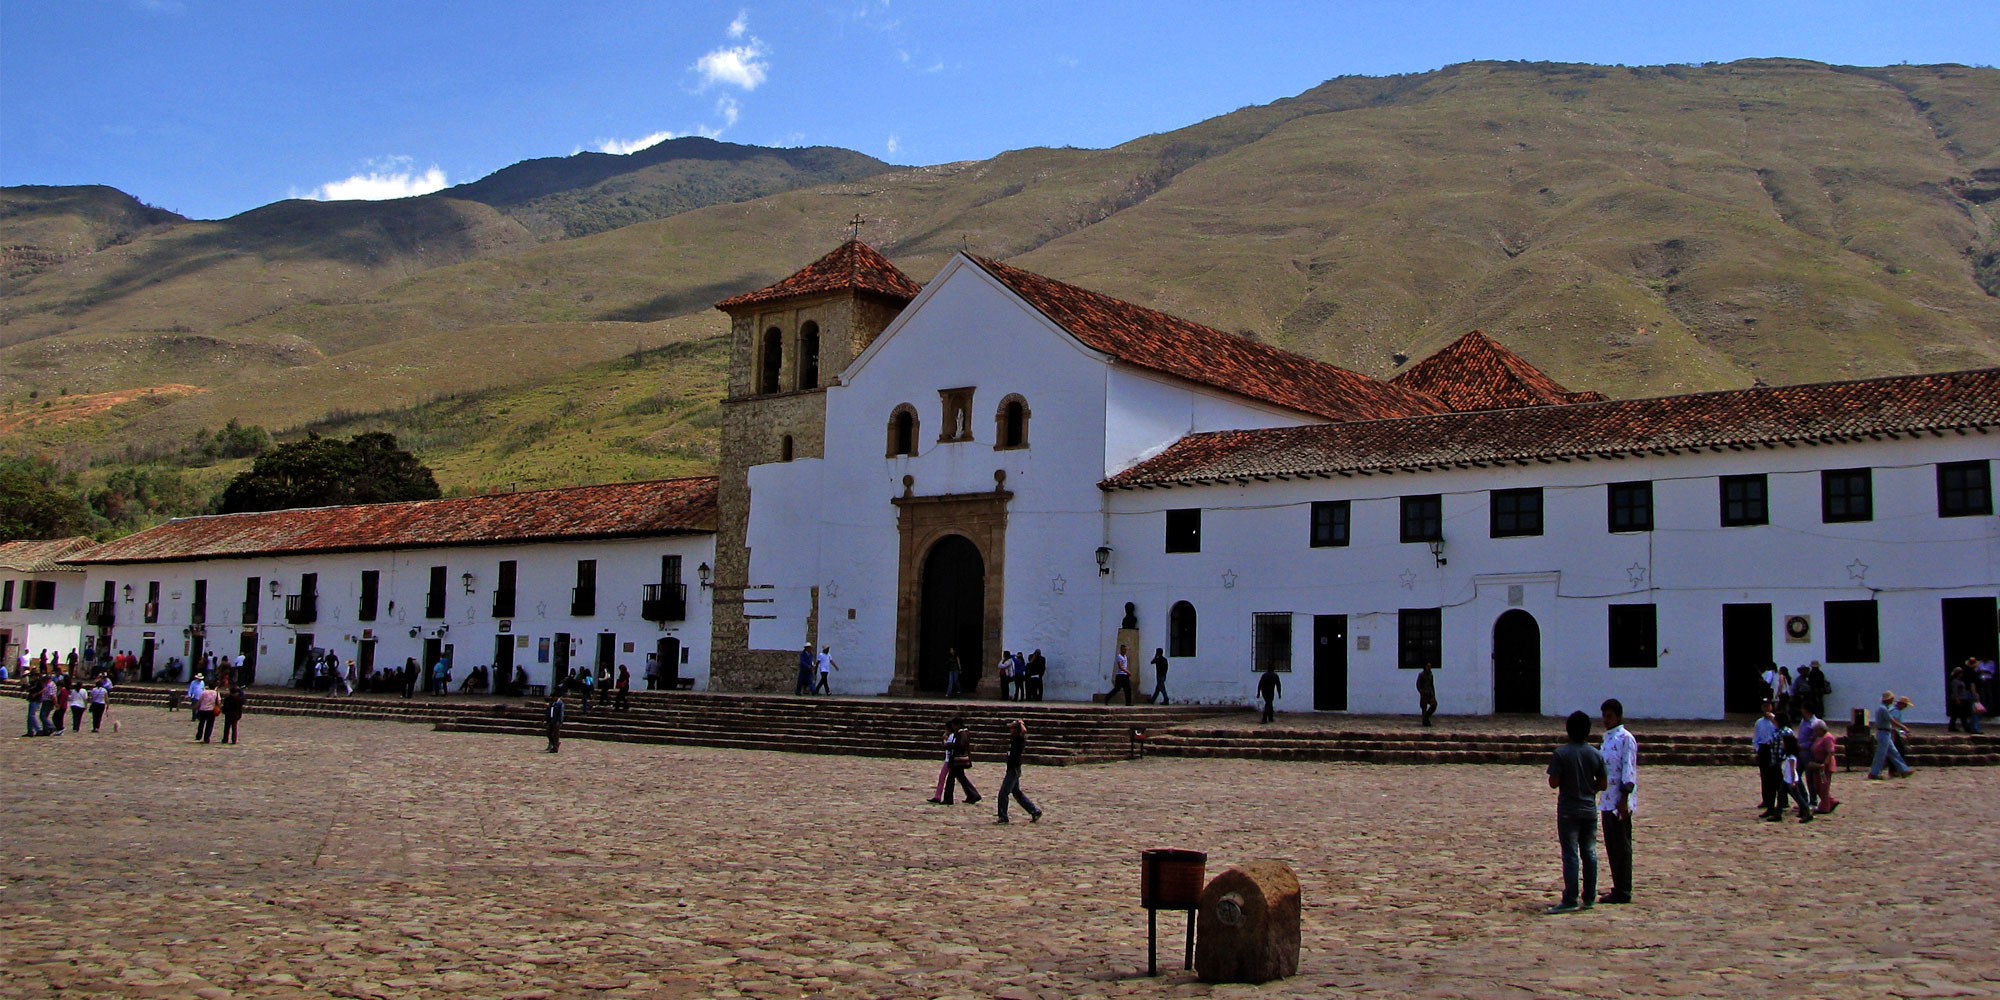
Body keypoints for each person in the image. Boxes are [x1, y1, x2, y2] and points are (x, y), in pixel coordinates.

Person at [1545, 710, 1606, 914]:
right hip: (1589, 807)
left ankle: (1570, 897)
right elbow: (1603, 783)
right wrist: (1589, 789)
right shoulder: (1596, 754)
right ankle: (1589, 896)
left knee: (1570, 853)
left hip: (1568, 809)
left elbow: (1553, 782)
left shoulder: (1561, 754)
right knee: (1590, 852)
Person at [1597, 699, 1637, 905]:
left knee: (1622, 845)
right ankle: (1617, 885)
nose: (1606, 720)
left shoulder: (1625, 739)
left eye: (1609, 716)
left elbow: (1627, 770)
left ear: (1619, 716)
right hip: (1606, 799)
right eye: (1604, 716)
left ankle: (1624, 888)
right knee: (1612, 845)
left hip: (1619, 801)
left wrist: (1624, 800)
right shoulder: (1607, 738)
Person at [995, 719, 1043, 824]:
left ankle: (1003, 816)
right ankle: (1034, 811)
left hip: (1013, 769)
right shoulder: (1013, 739)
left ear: (1016, 729)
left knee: (1003, 793)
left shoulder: (1019, 739)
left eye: (1012, 728)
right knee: (1016, 793)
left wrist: (1021, 723)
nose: (1010, 729)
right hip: (1012, 768)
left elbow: (1024, 731)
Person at [1868, 690, 1913, 779]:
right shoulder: (1883, 709)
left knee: (1894, 753)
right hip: (1884, 733)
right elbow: (1892, 721)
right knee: (1881, 754)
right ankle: (1874, 773)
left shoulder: (1885, 708)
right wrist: (1904, 728)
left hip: (1885, 732)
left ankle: (1903, 770)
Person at [1775, 732, 1815, 822]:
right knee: (1781, 796)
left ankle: (1807, 812)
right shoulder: (1787, 756)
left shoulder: (1791, 757)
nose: (1782, 744)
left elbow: (1793, 770)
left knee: (1798, 797)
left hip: (1789, 780)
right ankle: (1778, 813)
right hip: (1786, 779)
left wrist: (1793, 781)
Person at [1752, 700, 1782, 815]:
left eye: (1768, 706)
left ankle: (1781, 800)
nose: (1766, 708)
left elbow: (1780, 730)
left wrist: (1772, 720)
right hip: (1764, 749)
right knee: (1765, 776)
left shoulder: (1776, 720)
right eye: (1764, 706)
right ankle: (1766, 800)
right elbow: (1756, 737)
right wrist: (1758, 748)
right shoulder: (1759, 722)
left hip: (1774, 748)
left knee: (1777, 777)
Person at [941, 717, 980, 805]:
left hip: (958, 760)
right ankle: (973, 794)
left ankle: (948, 798)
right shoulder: (963, 732)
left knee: (950, 779)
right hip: (959, 760)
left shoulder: (961, 733)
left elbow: (960, 745)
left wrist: (948, 745)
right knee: (962, 778)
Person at [1806, 718, 1840, 815]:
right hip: (1817, 764)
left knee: (1823, 787)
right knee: (1817, 787)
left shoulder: (1828, 737)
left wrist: (1824, 764)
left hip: (1825, 765)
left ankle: (1824, 807)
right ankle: (1831, 802)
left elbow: (1830, 752)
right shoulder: (1819, 737)